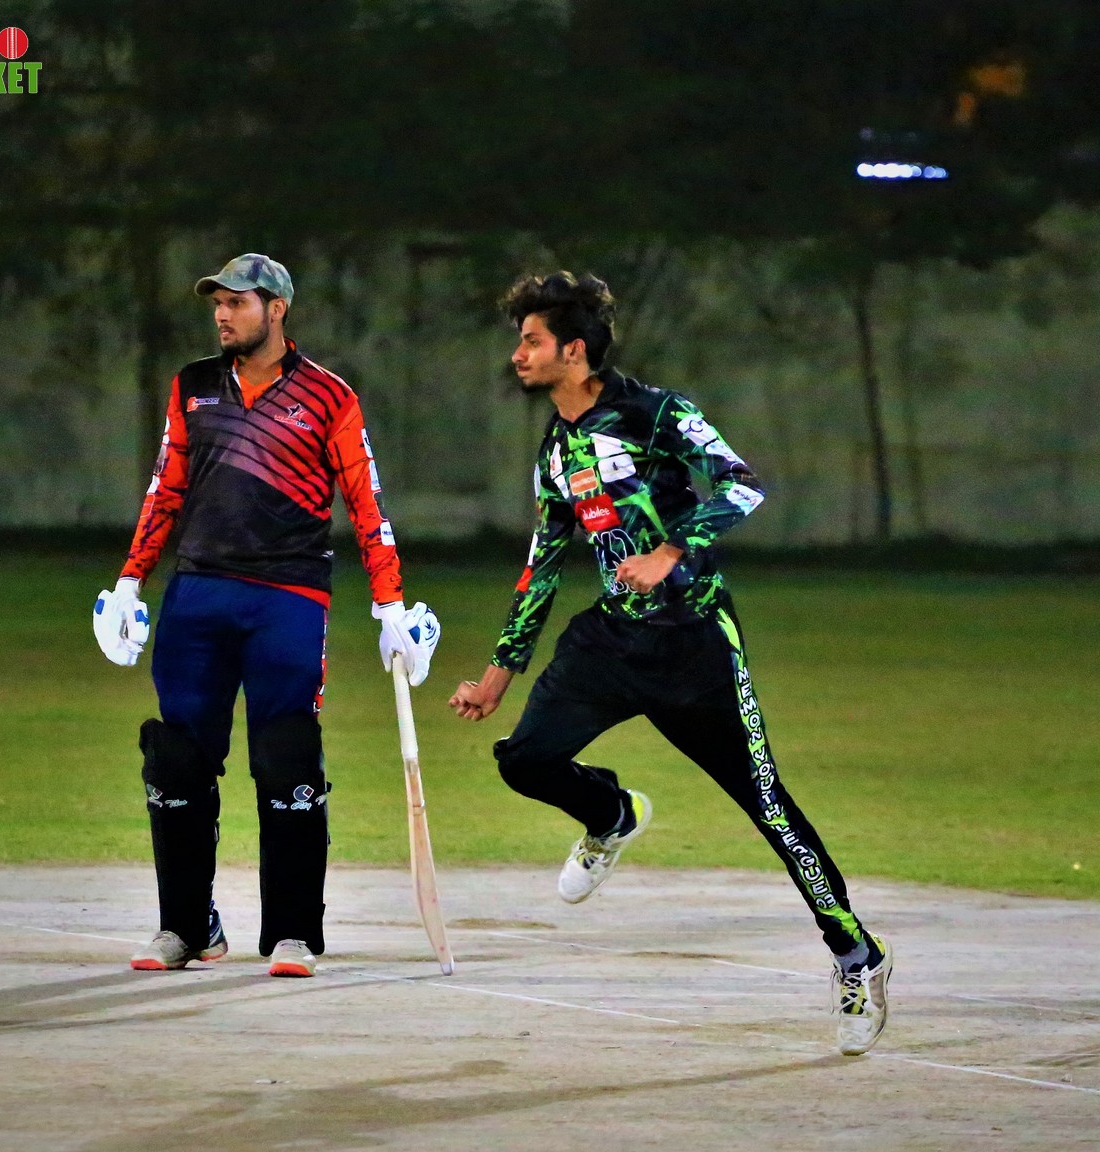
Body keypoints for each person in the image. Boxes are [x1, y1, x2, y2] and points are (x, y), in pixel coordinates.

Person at [449, 271, 891, 1053]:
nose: (518, 354)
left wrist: (671, 550)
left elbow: (744, 485)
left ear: (573, 351)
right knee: (523, 760)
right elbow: (543, 563)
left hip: (695, 648)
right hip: (609, 645)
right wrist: (497, 674)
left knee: (768, 806)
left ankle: (858, 956)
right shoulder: (554, 447)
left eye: (532, 341)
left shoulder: (656, 412)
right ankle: (610, 815)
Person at [93, 252, 439, 979]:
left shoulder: (329, 397)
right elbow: (165, 490)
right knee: (176, 758)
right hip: (199, 591)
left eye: (238, 303)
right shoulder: (193, 386)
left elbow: (366, 502)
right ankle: (186, 926)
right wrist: (129, 581)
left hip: (288, 596)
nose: (222, 315)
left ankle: (292, 933)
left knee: (286, 756)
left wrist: (390, 604)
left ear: (276, 309)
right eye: (217, 303)